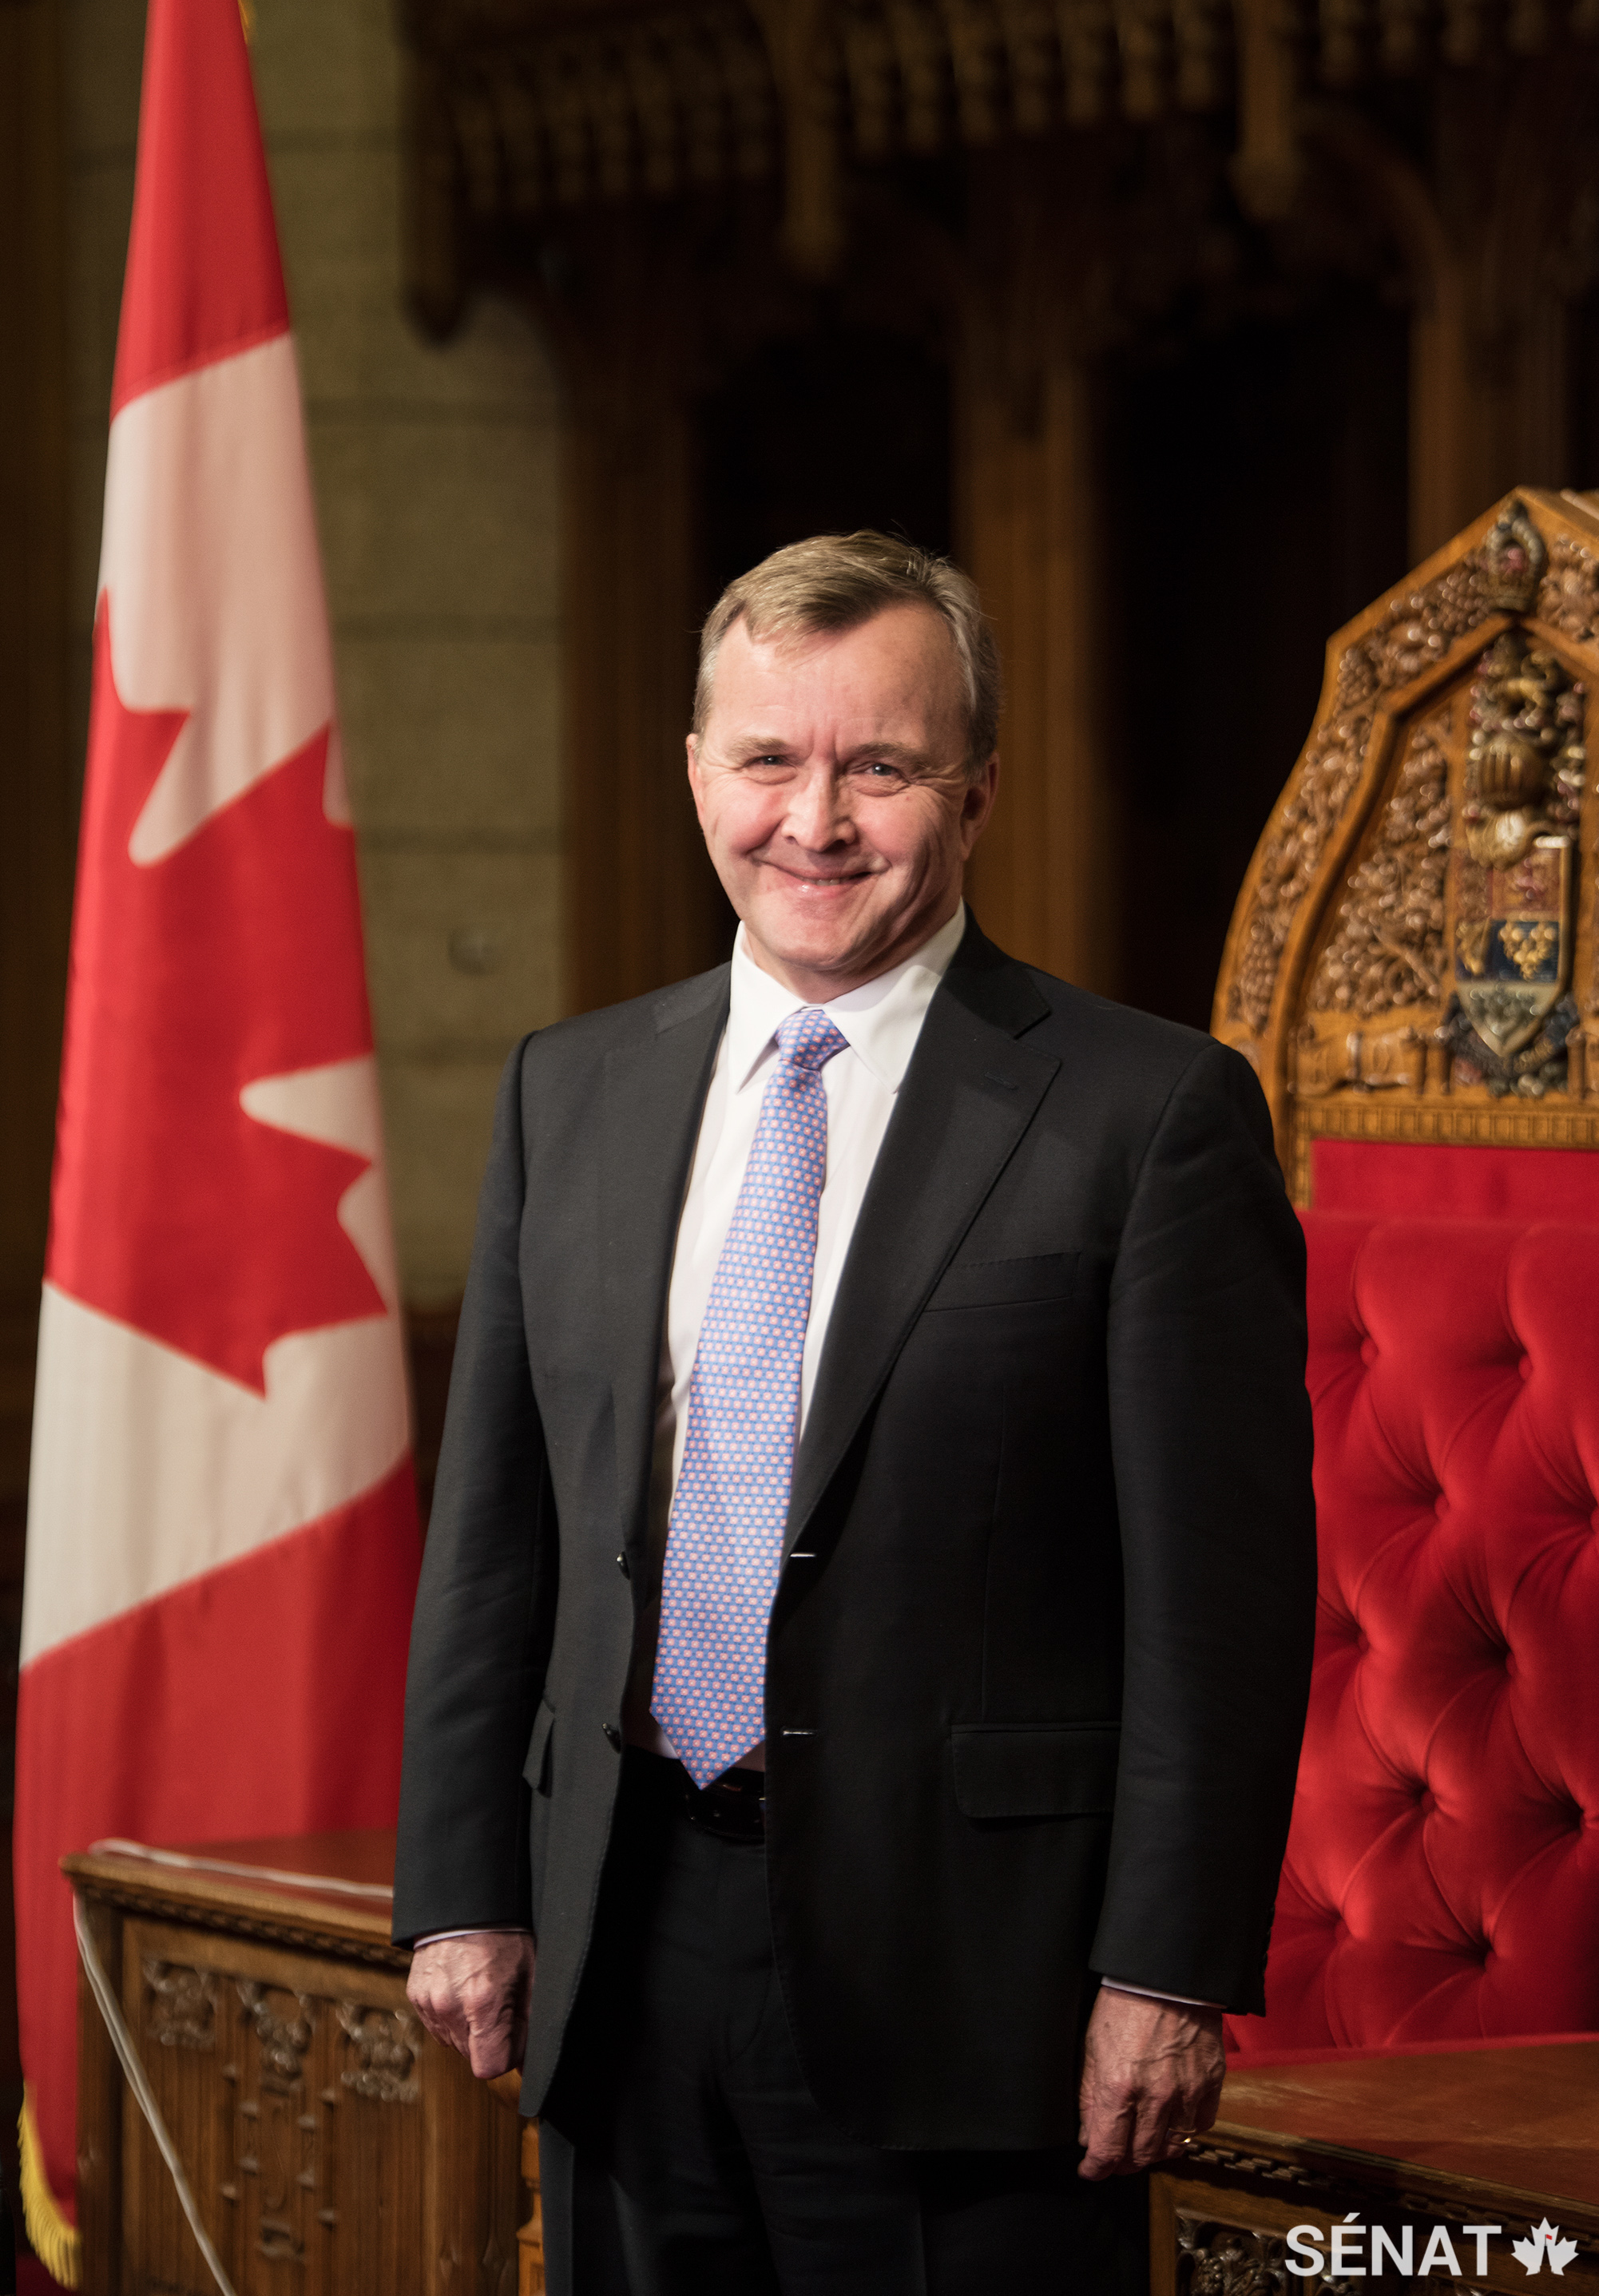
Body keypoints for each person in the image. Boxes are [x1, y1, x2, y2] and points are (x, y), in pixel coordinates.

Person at [393, 532, 1316, 2296]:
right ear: (696, 773)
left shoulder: (1148, 1117)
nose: (812, 821)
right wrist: (459, 1882)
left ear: (975, 791)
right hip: (619, 1939)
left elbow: (1221, 1604)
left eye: (877, 766)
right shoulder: (567, 1090)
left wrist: (1164, 1972)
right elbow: (492, 1535)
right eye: (767, 759)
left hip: (977, 1983)